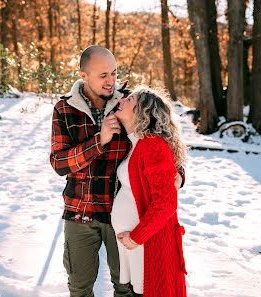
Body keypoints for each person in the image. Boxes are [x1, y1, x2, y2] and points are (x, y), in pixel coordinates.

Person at [49, 45, 185, 297]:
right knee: (79, 287)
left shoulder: (128, 103)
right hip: (80, 211)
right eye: (103, 75)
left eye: (113, 73)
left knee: (126, 288)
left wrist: (178, 173)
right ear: (83, 75)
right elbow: (59, 162)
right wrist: (97, 142)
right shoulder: (65, 109)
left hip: (121, 216)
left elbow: (160, 140)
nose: (111, 81)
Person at [111, 87, 188, 297]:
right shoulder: (137, 143)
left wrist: (136, 237)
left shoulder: (152, 145)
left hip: (147, 244)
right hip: (137, 245)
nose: (124, 99)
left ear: (141, 111)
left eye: (131, 98)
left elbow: (166, 203)